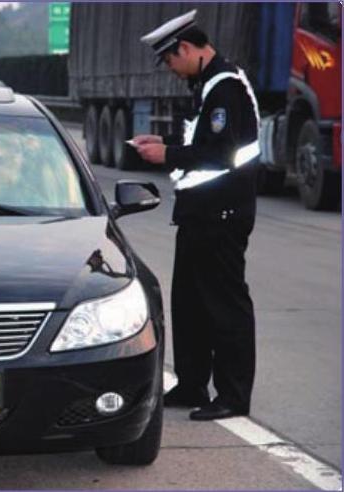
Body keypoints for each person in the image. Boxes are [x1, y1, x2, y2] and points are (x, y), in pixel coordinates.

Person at [133, 10, 260, 421]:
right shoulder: (207, 86)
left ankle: (233, 396)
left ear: (185, 48)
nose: (170, 69)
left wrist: (167, 154)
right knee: (190, 305)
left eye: (169, 60)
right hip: (198, 214)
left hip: (222, 214)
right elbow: (199, 139)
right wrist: (163, 141)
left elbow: (220, 153)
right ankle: (191, 384)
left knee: (224, 307)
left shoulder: (225, 88)